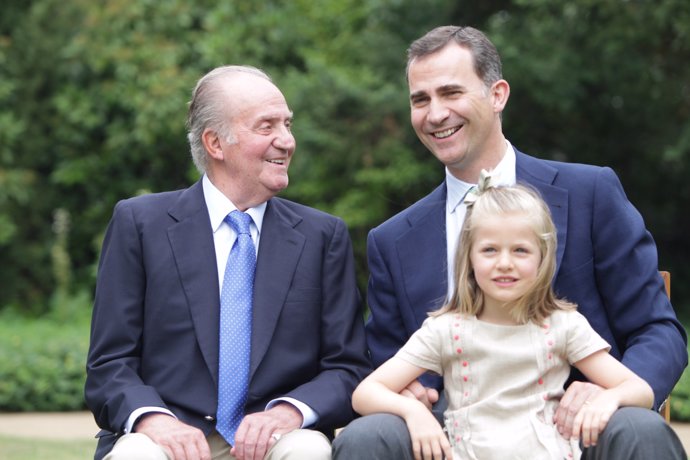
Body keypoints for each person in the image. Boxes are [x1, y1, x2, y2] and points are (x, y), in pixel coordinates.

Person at [333, 25, 687, 459]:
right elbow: (386, 361)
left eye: (451, 93)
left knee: (640, 430)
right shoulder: (391, 240)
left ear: (497, 94)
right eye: (420, 99)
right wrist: (412, 399)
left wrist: (608, 392)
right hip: (449, 436)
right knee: (367, 438)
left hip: (580, 425)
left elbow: (657, 329)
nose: (435, 113)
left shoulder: (591, 193)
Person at [85, 65, 371, 460]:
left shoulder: (323, 237)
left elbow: (348, 366)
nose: (286, 141)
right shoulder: (140, 224)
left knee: (308, 452)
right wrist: (154, 420)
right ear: (215, 143)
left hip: (280, 438)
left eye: (287, 124)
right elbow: (109, 363)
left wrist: (289, 412)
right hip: (166, 434)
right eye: (266, 126)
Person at [352, 176, 654, 460]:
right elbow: (366, 393)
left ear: (543, 257)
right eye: (489, 250)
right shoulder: (446, 330)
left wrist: (607, 399)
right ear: (469, 258)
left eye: (521, 250)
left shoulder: (562, 325)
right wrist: (412, 412)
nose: (504, 263)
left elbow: (638, 389)